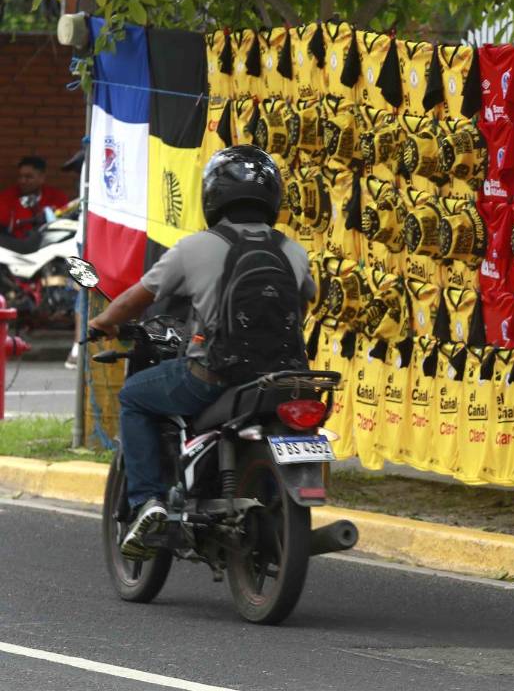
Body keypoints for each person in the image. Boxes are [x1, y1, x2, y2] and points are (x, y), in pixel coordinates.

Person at [88, 145, 315, 561]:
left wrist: (102, 324)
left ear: (212, 195)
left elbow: (134, 301)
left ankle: (147, 503)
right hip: (283, 380)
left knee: (135, 395)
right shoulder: (293, 251)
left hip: (214, 377)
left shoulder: (195, 248)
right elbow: (302, 306)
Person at [0, 155, 71, 239]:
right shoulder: (6, 197)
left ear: (42, 178)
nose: (22, 181)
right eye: (20, 176)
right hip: (14, 246)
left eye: (28, 177)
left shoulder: (57, 197)